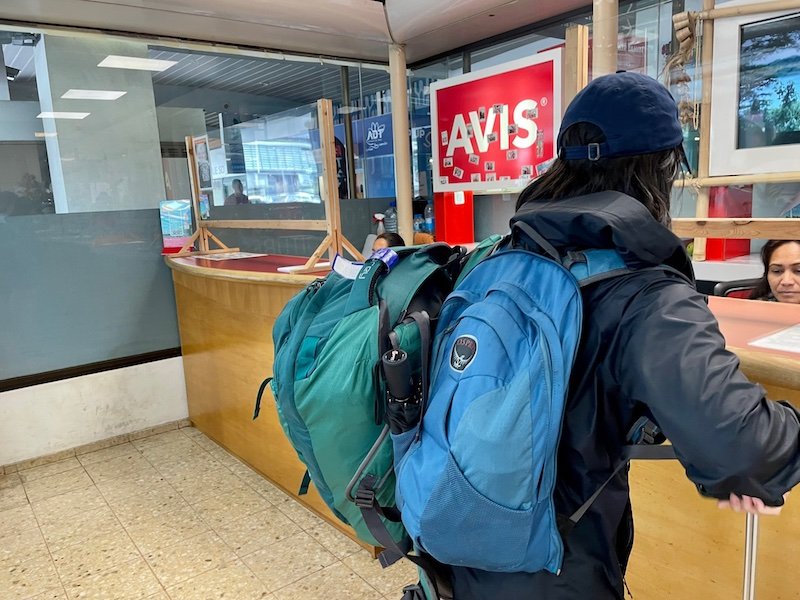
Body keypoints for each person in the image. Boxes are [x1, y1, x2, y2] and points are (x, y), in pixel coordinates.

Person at [441, 72, 800, 600]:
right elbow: (743, 450)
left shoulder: (502, 256)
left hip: (461, 546)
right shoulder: (645, 293)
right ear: (661, 168)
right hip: (559, 568)